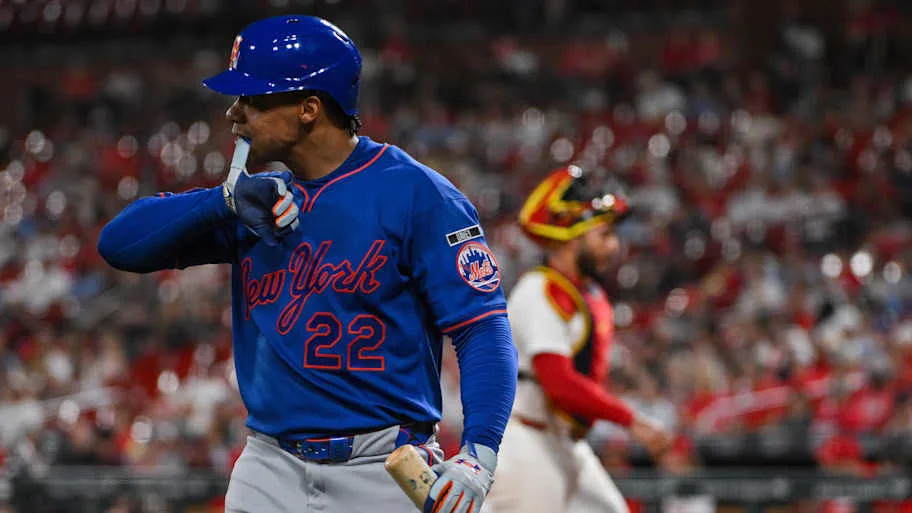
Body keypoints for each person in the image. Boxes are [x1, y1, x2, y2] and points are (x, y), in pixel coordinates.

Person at [97, 15, 517, 513]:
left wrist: (479, 454)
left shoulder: (416, 193)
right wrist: (222, 201)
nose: (235, 113)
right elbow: (118, 244)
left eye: (253, 98)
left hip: (383, 468)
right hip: (268, 468)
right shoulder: (256, 200)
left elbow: (482, 329)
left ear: (309, 108)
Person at [483, 165, 669, 513]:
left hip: (565, 444)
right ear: (572, 237)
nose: (614, 246)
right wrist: (633, 421)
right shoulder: (539, 290)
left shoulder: (585, 293)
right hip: (527, 443)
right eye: (604, 234)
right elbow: (559, 383)